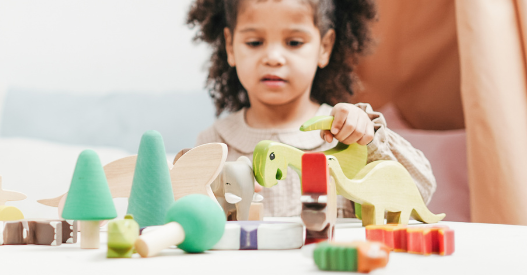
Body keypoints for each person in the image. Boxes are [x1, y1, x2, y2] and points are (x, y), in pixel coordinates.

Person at [187, 0, 436, 218]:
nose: (273, 57)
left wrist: (370, 139)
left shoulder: (348, 134)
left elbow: (422, 191)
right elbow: (191, 215)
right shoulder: (213, 143)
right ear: (230, 46)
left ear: (324, 47)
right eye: (254, 42)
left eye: (294, 42)